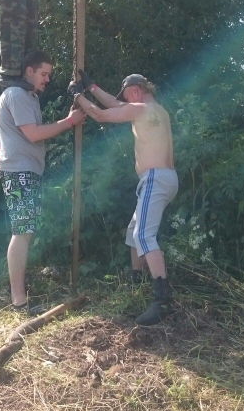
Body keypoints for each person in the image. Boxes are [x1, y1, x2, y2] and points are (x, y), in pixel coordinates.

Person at [71, 71, 178, 325]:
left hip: (155, 178)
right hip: (165, 178)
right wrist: (92, 87)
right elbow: (116, 105)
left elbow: (100, 114)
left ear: (137, 91)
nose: (126, 101)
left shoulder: (140, 109)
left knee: (143, 235)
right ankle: (136, 280)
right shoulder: (157, 111)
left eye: (128, 95)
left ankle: (162, 300)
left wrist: (77, 95)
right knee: (134, 231)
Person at [0, 50, 85, 312]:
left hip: (26, 171)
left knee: (25, 231)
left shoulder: (29, 97)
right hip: (19, 171)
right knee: (22, 233)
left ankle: (19, 296)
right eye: (44, 74)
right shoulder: (16, 95)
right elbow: (34, 134)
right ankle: (19, 302)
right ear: (29, 71)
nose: (47, 79)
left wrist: (66, 121)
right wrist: (69, 122)